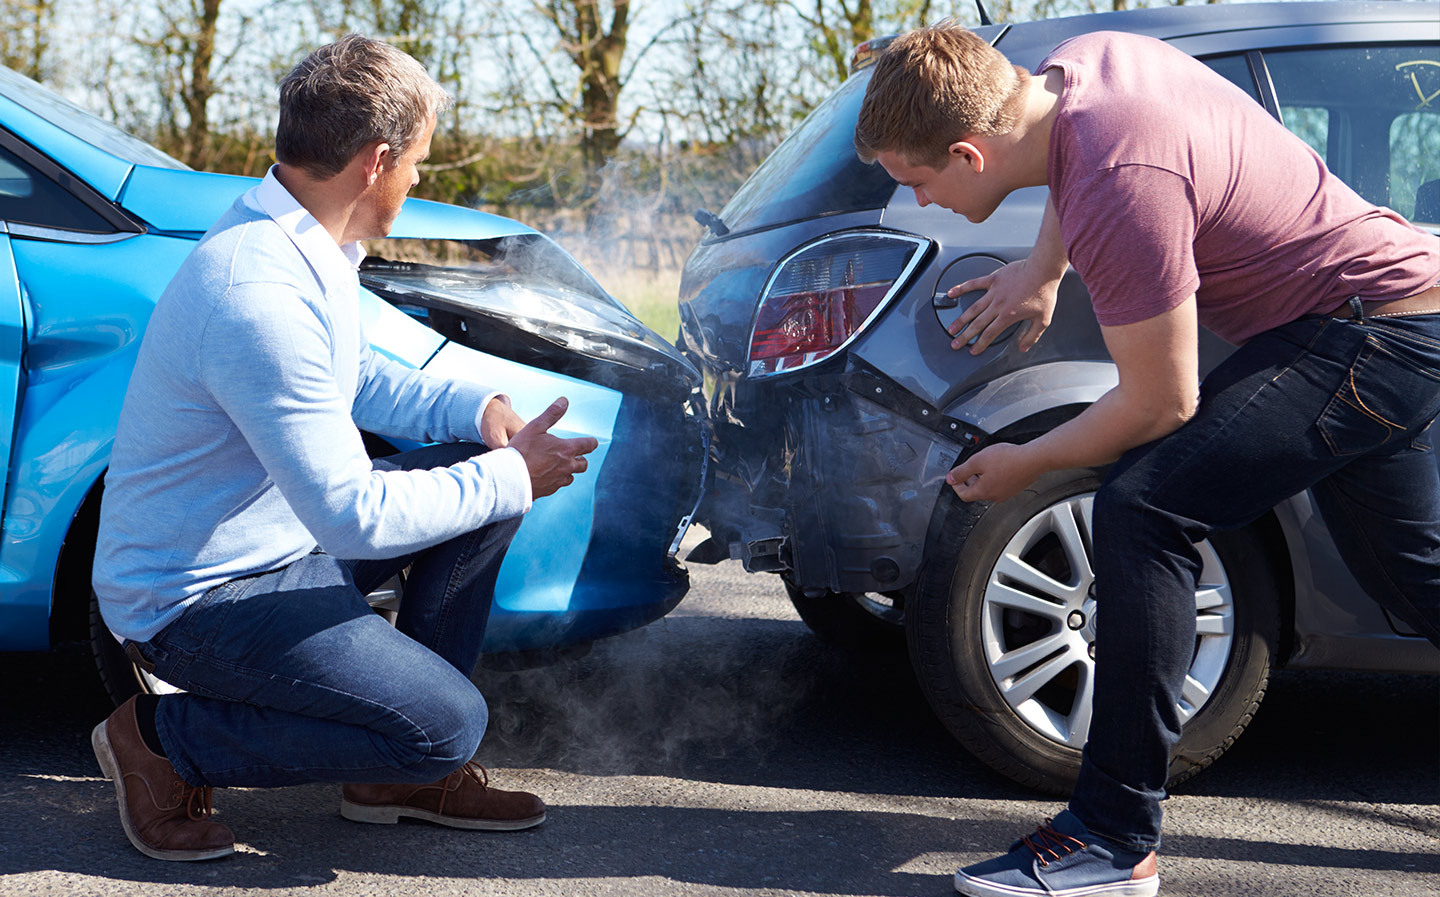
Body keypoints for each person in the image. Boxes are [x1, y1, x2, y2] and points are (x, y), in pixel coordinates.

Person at [854, 20, 1440, 897]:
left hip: (1369, 336)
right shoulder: (1078, 70)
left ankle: (1112, 837)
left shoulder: (1121, 178)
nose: (921, 201)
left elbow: (1163, 401)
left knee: (1144, 507)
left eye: (919, 180)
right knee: (1417, 579)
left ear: (971, 154)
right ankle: (1110, 836)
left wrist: (1026, 462)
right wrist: (1046, 267)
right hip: (1395, 312)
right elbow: (1072, 160)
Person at [90, 34, 598, 862]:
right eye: (419, 163)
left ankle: (391, 774)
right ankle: (160, 738)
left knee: (472, 488)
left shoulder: (302, 241)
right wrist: (509, 475)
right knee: (448, 724)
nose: (418, 180)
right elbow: (353, 516)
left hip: (278, 549)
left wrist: (480, 411)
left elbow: (357, 376)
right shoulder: (256, 292)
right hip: (196, 600)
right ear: (377, 160)